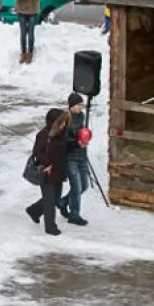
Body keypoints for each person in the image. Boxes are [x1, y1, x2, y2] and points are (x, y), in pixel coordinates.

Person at [27, 109, 69, 236]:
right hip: (47, 172)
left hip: (59, 171)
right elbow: (37, 152)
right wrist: (48, 163)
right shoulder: (43, 135)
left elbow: (67, 149)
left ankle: (34, 210)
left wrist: (78, 143)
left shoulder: (63, 134)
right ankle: (50, 227)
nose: (63, 125)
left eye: (64, 122)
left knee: (55, 199)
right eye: (61, 122)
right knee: (50, 200)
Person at [60, 93, 90, 227]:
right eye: (78, 105)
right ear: (71, 106)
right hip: (71, 158)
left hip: (82, 155)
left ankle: (63, 202)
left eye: (81, 105)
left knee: (84, 185)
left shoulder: (81, 116)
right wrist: (77, 142)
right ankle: (74, 215)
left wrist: (85, 137)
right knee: (76, 187)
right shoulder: (65, 118)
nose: (80, 107)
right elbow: (63, 141)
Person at [14, 0, 42, 64]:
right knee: (23, 34)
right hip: (22, 10)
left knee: (31, 33)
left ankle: (30, 54)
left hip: (32, 10)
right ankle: (23, 53)